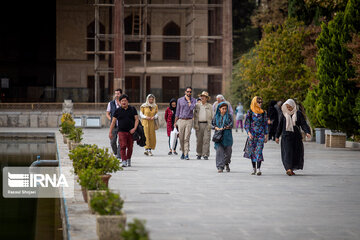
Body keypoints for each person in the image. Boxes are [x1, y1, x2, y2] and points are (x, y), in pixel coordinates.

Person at [275, 99, 311, 176]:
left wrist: (307, 132)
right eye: (287, 107)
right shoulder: (284, 114)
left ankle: (291, 168)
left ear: (293, 106)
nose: (289, 108)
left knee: (295, 153)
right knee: (288, 153)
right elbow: (280, 126)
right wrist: (277, 136)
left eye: (290, 107)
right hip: (286, 137)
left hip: (296, 137)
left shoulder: (298, 113)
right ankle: (288, 168)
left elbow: (303, 124)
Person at [109, 94, 139, 167]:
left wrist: (134, 128)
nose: (123, 102)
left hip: (130, 132)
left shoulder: (132, 109)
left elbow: (136, 119)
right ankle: (124, 160)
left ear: (127, 101)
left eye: (125, 101)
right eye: (122, 101)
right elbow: (113, 122)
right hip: (121, 131)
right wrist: (110, 132)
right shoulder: (117, 111)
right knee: (123, 146)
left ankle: (128, 159)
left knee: (130, 147)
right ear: (120, 102)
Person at [244, 96, 268, 176]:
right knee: (252, 151)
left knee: (259, 150)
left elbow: (265, 124)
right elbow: (246, 124)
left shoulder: (263, 112)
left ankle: (258, 169)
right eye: (259, 102)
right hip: (252, 134)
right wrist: (248, 133)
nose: (260, 104)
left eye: (261, 102)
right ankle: (254, 168)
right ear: (255, 102)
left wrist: (266, 135)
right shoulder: (250, 112)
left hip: (260, 134)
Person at [174, 87, 197, 160]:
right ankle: (183, 152)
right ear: (185, 92)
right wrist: (175, 122)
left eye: (190, 92)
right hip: (181, 120)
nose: (189, 93)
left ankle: (186, 154)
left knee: (186, 138)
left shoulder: (193, 100)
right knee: (181, 138)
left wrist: (189, 102)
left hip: (189, 120)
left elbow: (192, 108)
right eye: (188, 92)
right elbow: (177, 111)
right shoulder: (180, 100)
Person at [212, 102, 233, 173]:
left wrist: (226, 127)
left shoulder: (229, 116)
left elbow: (231, 124)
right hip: (218, 137)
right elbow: (212, 124)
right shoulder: (216, 116)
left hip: (227, 137)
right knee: (219, 152)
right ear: (219, 109)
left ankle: (226, 163)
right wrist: (216, 127)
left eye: (225, 109)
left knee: (228, 153)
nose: (224, 110)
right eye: (223, 109)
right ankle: (220, 167)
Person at [194, 91, 213, 160]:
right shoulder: (197, 105)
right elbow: (194, 114)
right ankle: (199, 153)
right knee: (199, 140)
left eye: (204, 96)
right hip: (199, 124)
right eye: (201, 96)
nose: (202, 97)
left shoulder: (210, 106)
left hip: (207, 124)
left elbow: (212, 116)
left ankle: (205, 154)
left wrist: (212, 124)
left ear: (207, 98)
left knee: (206, 140)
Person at [106, 88, 122, 160]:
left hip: (122, 125)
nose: (117, 95)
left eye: (118, 94)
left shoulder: (124, 103)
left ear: (121, 94)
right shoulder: (111, 103)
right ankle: (115, 153)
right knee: (112, 141)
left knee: (121, 141)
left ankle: (119, 156)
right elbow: (107, 114)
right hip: (114, 125)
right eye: (115, 94)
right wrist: (111, 119)